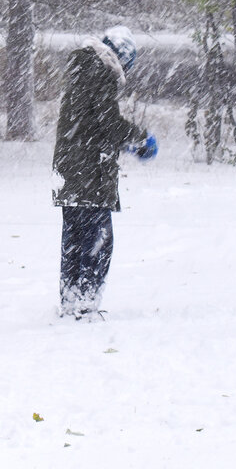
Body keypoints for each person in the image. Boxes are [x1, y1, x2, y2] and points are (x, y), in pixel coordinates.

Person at [52, 25, 157, 320]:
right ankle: (85, 304)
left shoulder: (82, 68)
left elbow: (92, 122)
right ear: (121, 58)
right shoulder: (101, 72)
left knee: (73, 238)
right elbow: (108, 123)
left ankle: (71, 300)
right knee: (98, 239)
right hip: (89, 172)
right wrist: (139, 140)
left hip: (70, 170)